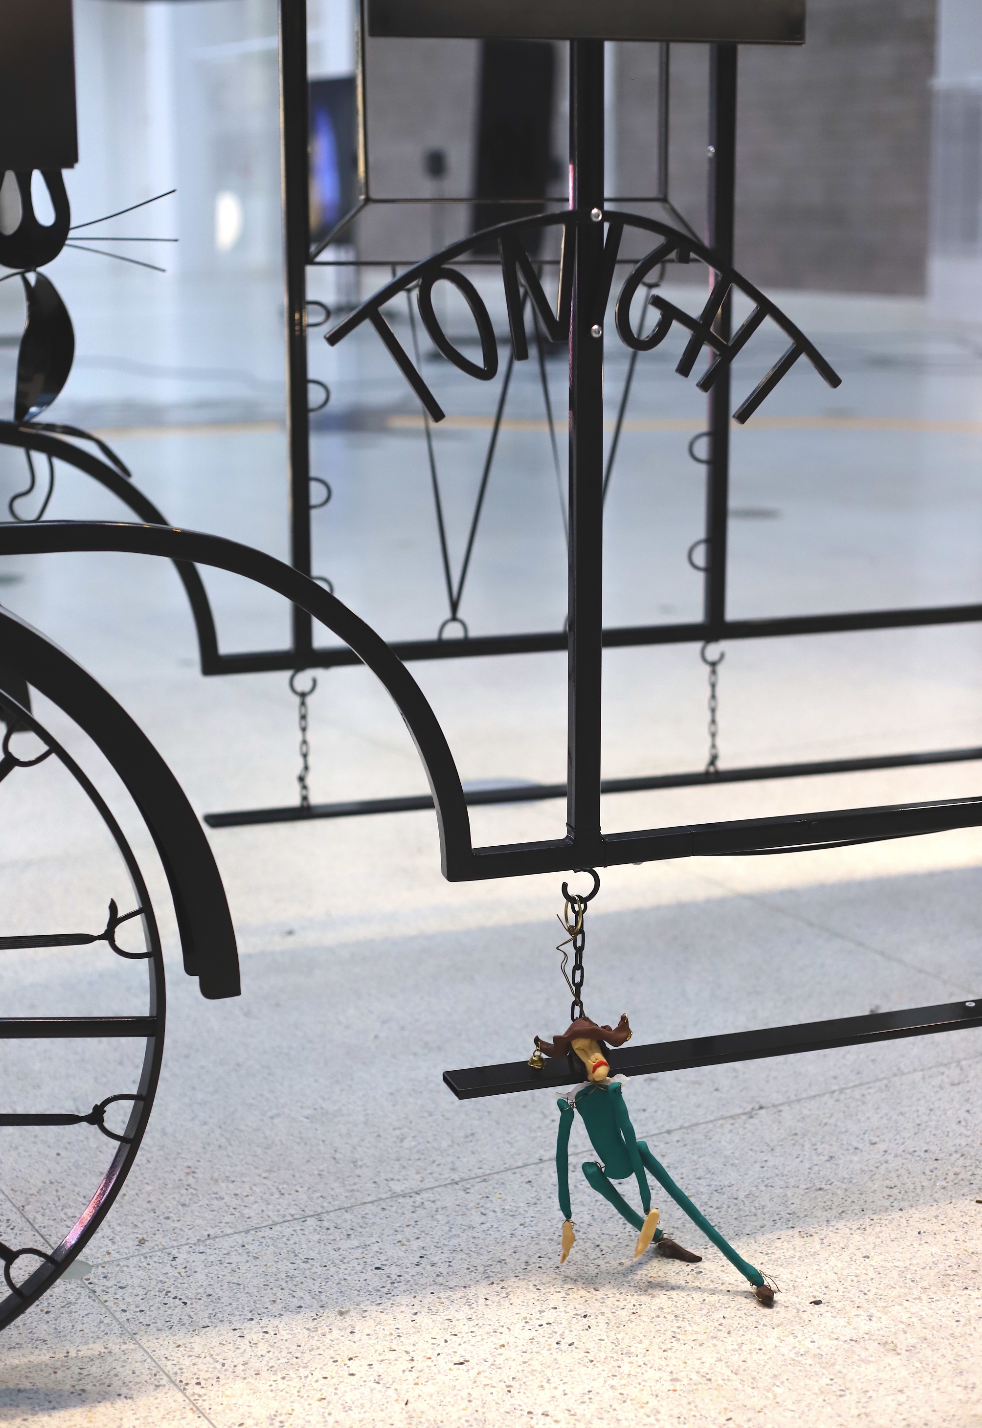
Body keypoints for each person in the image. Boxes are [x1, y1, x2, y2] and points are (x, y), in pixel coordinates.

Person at [536, 1014, 775, 1306]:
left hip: (635, 1154)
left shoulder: (613, 1089)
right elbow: (561, 1153)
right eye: (583, 1052)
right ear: (575, 1060)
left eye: (595, 1048)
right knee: (591, 1171)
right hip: (609, 1166)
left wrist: (646, 1197)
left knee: (679, 1195)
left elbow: (627, 1128)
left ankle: (751, 1275)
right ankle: (658, 1237)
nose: (593, 1057)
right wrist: (567, 1214)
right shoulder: (576, 1099)